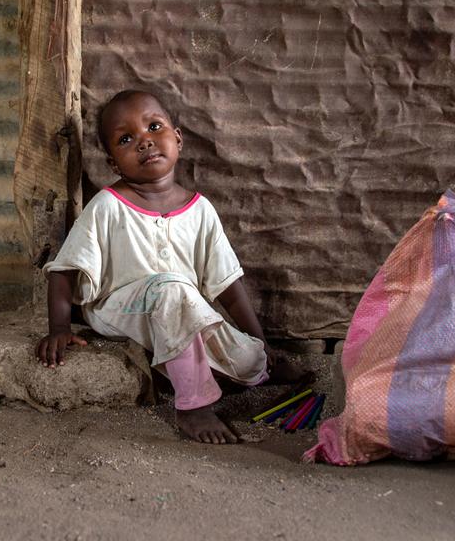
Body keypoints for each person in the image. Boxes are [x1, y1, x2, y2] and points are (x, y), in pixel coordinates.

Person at [36, 90, 310, 444]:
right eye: (126, 139)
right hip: (118, 307)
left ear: (177, 138)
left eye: (153, 126)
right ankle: (193, 407)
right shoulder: (108, 206)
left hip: (179, 307)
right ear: (114, 164)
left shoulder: (200, 211)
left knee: (243, 355)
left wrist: (260, 341)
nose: (145, 142)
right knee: (173, 288)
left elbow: (227, 285)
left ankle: (258, 367)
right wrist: (58, 327)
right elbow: (64, 269)